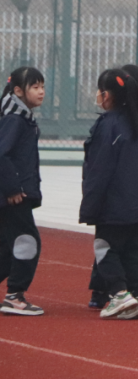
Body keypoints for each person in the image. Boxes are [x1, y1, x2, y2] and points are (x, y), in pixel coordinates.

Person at [80, 67, 138, 319]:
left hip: (113, 203)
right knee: (134, 251)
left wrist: (90, 205)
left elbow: (98, 170)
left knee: (105, 246)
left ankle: (119, 293)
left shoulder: (107, 125)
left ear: (107, 95)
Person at [0, 67, 46, 316]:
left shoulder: (23, 118)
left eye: (42, 86)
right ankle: (14, 296)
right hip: (13, 196)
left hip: (15, 193)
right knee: (27, 241)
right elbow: (2, 154)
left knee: (7, 247)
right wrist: (13, 188)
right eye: (35, 87)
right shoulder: (15, 119)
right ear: (18, 91)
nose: (41, 92)